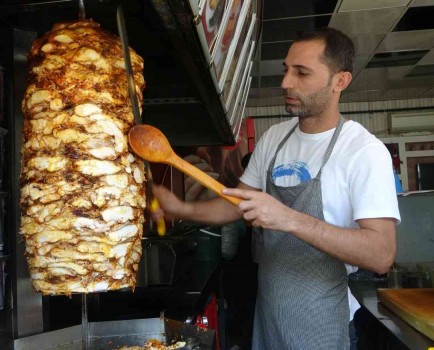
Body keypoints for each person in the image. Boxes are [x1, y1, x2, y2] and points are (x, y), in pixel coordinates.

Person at [153, 27, 400, 349]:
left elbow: (381, 255)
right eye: (286, 70)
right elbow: (235, 203)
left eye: (302, 73)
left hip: (324, 321)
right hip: (270, 316)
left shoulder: (363, 151)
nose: (285, 83)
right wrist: (182, 209)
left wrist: (289, 219)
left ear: (340, 81)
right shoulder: (275, 137)